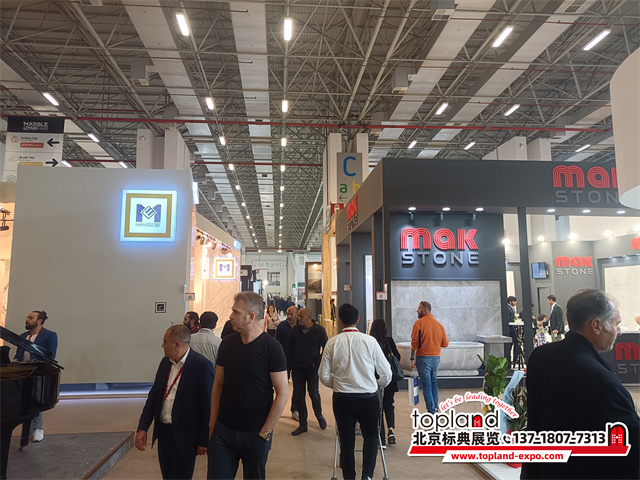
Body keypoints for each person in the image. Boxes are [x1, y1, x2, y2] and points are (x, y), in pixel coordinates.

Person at [521, 289, 639, 480]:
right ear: (596, 325)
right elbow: (628, 438)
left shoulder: (541, 355)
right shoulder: (598, 376)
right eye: (616, 324)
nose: (619, 331)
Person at [208, 292, 288, 480]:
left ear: (251, 317)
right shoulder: (227, 344)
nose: (230, 316)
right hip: (223, 431)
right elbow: (218, 385)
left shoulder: (271, 347)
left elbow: (282, 393)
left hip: (256, 433)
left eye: (235, 312)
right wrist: (212, 424)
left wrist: (266, 432)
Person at [320, 303, 391, 480]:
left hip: (342, 398)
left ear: (340, 320)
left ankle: (349, 477)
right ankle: (367, 475)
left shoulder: (332, 343)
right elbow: (387, 373)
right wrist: (377, 384)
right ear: (358, 319)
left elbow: (323, 375)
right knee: (371, 436)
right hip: (368, 398)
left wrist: (338, 385)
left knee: (346, 441)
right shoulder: (370, 342)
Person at [135, 325, 214, 480]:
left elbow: (207, 406)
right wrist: (142, 427)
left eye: (165, 342)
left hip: (186, 437)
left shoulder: (201, 365)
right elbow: (154, 396)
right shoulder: (165, 362)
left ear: (177, 344)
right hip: (164, 433)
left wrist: (203, 440)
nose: (162, 345)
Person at [14, 310, 58, 444]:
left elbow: (51, 356)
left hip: (38, 373)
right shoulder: (23, 336)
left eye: (31, 318)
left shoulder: (49, 335)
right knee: (24, 401)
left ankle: (38, 429)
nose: (27, 319)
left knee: (36, 400)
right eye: (27, 317)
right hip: (23, 373)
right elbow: (18, 354)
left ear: (39, 321)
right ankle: (27, 429)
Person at [289, 308, 328, 435]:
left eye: (301, 316)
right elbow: (290, 347)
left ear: (309, 317)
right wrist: (291, 363)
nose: (298, 318)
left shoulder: (319, 330)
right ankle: (303, 424)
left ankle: (319, 415)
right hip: (297, 368)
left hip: (312, 368)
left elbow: (326, 348)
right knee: (299, 395)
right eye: (298, 316)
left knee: (314, 393)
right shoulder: (296, 330)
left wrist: (317, 362)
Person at [410, 301, 449, 414]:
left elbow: (414, 343)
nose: (417, 311)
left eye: (419, 308)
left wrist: (412, 358)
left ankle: (431, 410)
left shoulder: (418, 324)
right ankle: (435, 407)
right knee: (433, 381)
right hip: (436, 358)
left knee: (426, 384)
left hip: (423, 358)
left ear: (424, 310)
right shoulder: (439, 325)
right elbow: (445, 343)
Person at [369, 318, 400, 447]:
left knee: (378, 407)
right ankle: (391, 430)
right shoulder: (389, 341)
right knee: (389, 404)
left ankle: (380, 437)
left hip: (375, 379)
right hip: (389, 379)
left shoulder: (370, 342)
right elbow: (397, 357)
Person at [275, 305, 299, 420]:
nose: (288, 316)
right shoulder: (282, 326)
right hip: (283, 361)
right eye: (288, 314)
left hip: (297, 361)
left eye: (291, 314)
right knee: (281, 387)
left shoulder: (301, 326)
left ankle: (295, 409)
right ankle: (277, 409)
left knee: (297, 387)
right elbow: (276, 343)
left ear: (297, 314)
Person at [507, 296, 522, 368]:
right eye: (514, 301)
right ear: (510, 301)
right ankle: (512, 360)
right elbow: (509, 319)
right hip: (511, 331)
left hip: (513, 330)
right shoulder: (508, 308)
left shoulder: (511, 309)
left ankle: (515, 360)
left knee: (516, 344)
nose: (515, 303)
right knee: (511, 345)